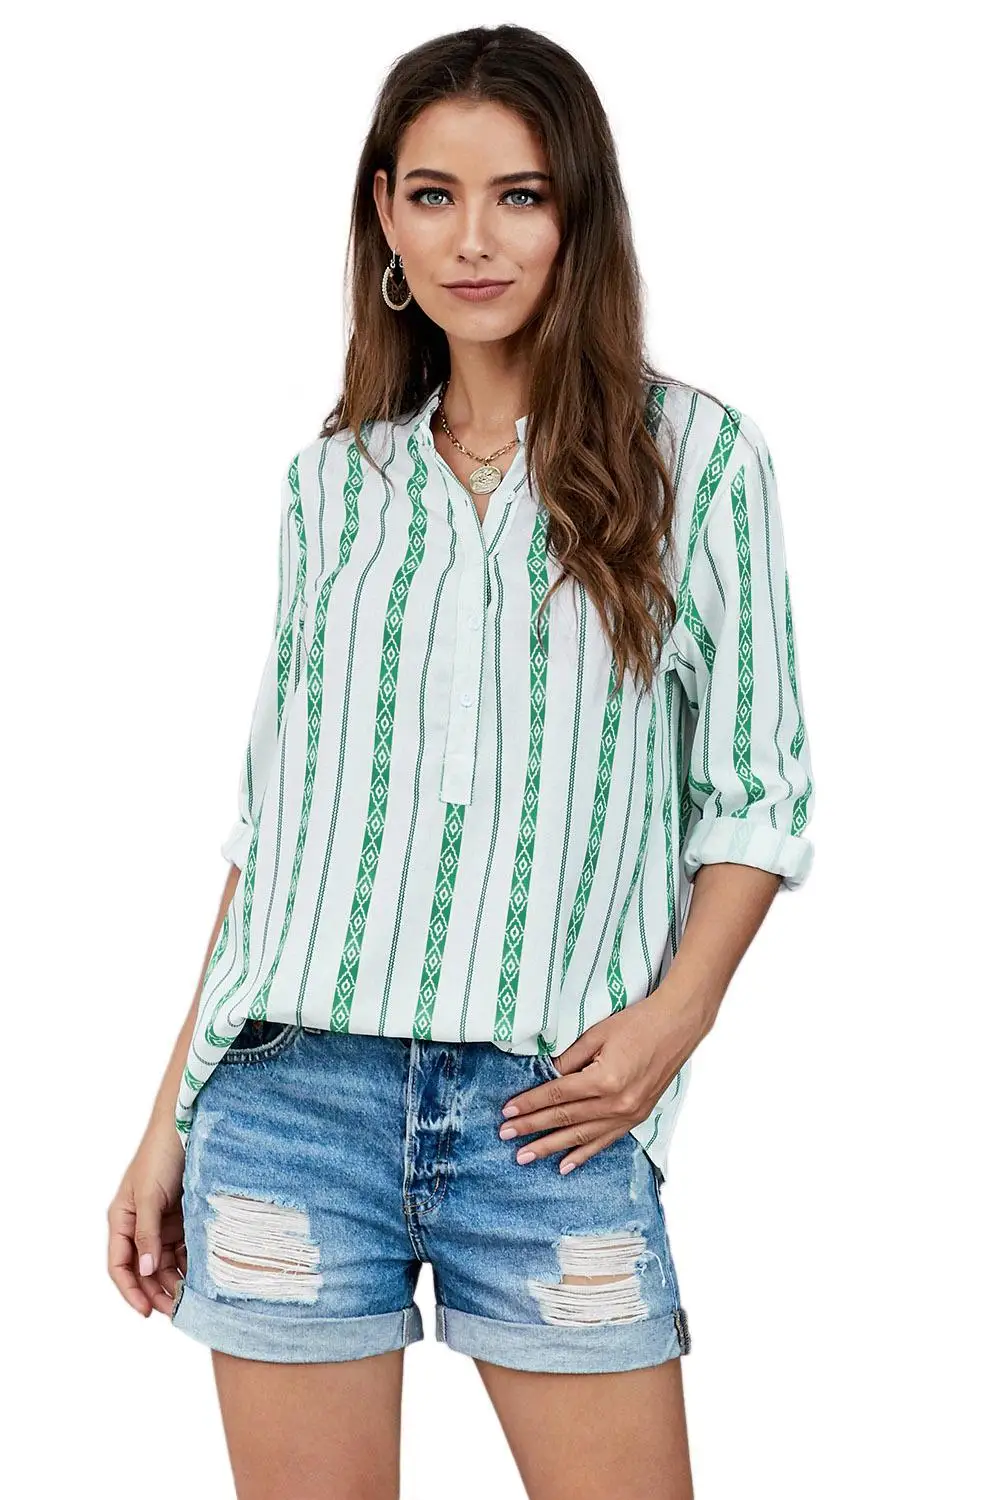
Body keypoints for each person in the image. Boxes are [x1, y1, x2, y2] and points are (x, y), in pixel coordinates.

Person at [107, 22, 816, 1499]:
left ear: (579, 215)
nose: (473, 239)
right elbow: (277, 833)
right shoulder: (331, 487)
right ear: (384, 215)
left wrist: (676, 1019)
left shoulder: (697, 461)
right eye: (433, 195)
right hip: (291, 1102)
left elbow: (756, 794)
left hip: (550, 1116)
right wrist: (166, 1124)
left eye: (520, 195)